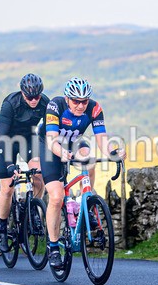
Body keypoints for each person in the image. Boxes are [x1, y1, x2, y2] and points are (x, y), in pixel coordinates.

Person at [38, 77, 126, 268]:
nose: (80, 105)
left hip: (75, 141)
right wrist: (62, 154)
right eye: (76, 101)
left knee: (90, 159)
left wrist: (113, 153)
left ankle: (84, 201)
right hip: (50, 146)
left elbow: (101, 138)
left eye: (84, 101)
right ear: (67, 99)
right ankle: (53, 247)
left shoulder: (94, 108)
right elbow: (52, 139)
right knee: (56, 196)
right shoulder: (55, 106)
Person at [0, 73, 49, 252]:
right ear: (22, 93)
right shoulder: (10, 104)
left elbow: (52, 129)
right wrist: (9, 165)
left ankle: (32, 209)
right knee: (7, 187)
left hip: (28, 138)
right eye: (30, 97)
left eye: (37, 96)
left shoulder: (45, 102)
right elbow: (2, 138)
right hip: (6, 139)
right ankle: (2, 228)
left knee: (38, 174)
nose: (34, 100)